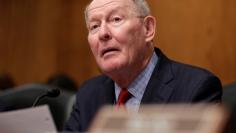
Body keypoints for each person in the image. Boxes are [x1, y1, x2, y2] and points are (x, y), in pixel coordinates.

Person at [64, 0, 222, 131]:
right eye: (94, 26)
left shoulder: (196, 88)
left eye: (116, 19)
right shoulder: (88, 94)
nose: (103, 33)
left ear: (148, 28)